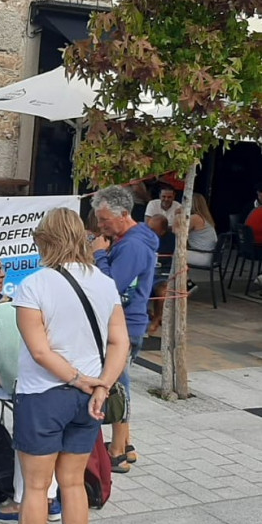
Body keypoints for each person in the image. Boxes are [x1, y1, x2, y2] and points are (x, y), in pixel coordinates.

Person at [11, 208, 130, 524]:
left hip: (43, 394)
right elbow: (121, 341)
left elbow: (40, 351)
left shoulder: (33, 285)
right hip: (90, 398)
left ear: (44, 241)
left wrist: (78, 378)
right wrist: (102, 384)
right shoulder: (105, 284)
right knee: (73, 482)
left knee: (36, 487)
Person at [0, 253, 62, 524]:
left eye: (1, 268)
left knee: (29, 441)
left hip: (27, 384)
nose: (1, 274)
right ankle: (48, 499)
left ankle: (28, 502)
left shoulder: (8, 306)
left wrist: (3, 373)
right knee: (41, 439)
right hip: (39, 381)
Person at [91, 185, 159, 473]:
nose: (100, 225)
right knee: (122, 382)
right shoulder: (133, 239)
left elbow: (110, 287)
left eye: (105, 220)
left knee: (117, 387)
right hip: (128, 321)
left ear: (124, 215)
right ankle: (125, 445)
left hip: (125, 324)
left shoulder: (131, 246)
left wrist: (99, 255)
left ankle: (117, 451)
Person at [146, 215, 174, 337]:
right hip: (146, 272)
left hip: (163, 273)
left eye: (153, 230)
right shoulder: (144, 238)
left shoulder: (172, 240)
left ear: (162, 231)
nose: (148, 232)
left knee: (162, 291)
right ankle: (145, 314)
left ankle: (157, 317)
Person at [186, 193, 218, 267]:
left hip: (202, 256)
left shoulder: (195, 218)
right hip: (210, 256)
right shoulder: (206, 217)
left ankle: (179, 278)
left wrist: (178, 215)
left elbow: (178, 232)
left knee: (175, 254)